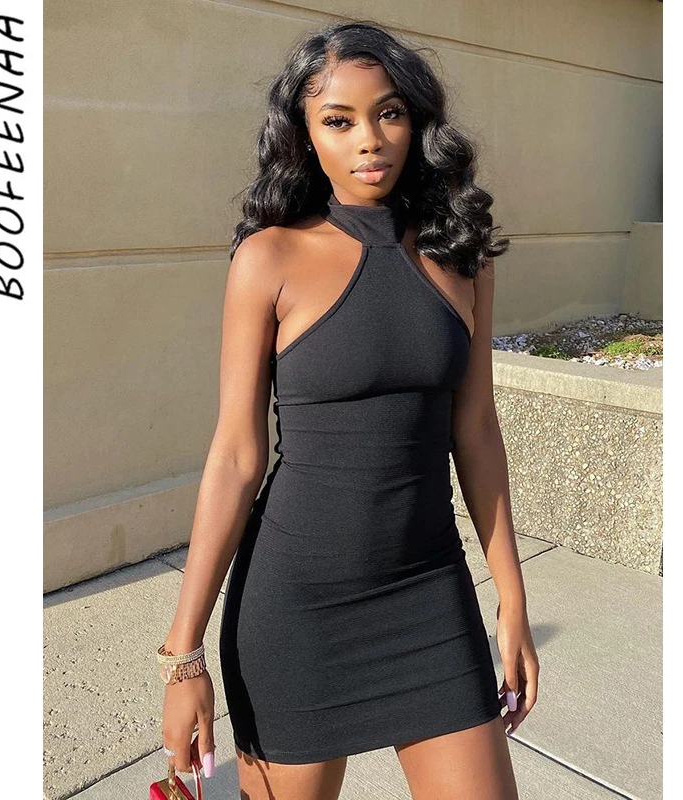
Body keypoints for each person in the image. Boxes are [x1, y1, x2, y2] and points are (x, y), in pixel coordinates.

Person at [158, 20, 539, 800]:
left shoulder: (459, 256)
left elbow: (476, 432)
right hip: (296, 609)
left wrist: (512, 600)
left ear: (415, 120)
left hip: (430, 592)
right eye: (339, 120)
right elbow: (235, 456)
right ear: (306, 136)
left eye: (389, 112)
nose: (370, 139)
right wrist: (183, 655)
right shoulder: (268, 258)